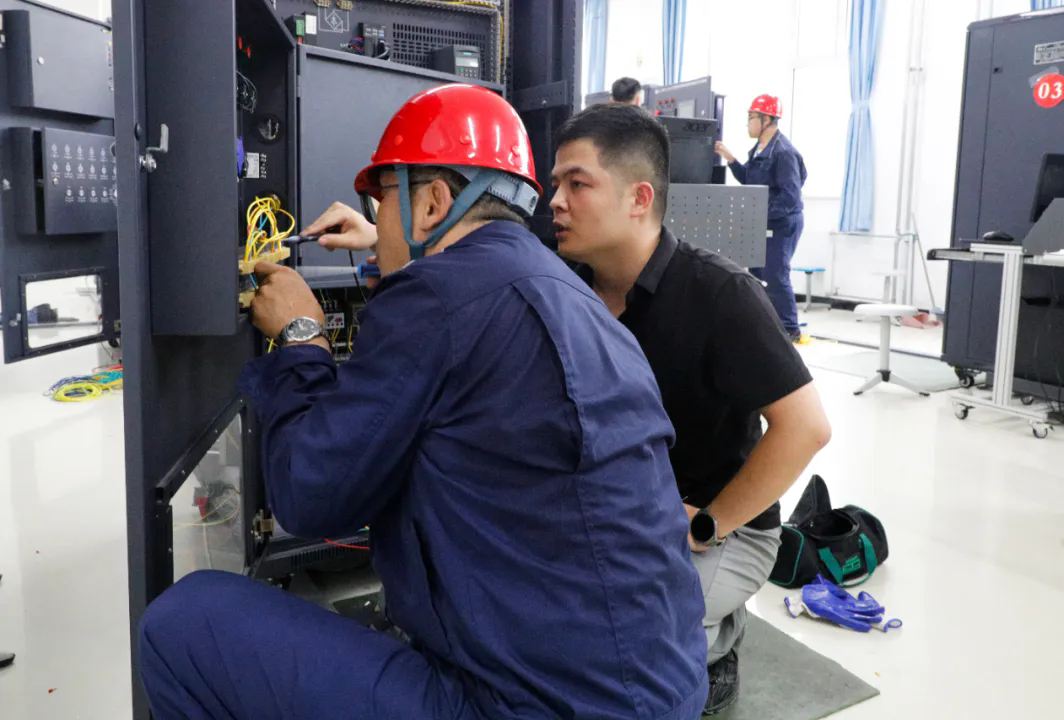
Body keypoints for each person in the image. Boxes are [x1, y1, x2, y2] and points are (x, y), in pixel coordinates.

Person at [138, 85, 709, 720]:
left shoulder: (437, 300)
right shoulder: (577, 301)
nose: (375, 220)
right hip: (664, 690)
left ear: (433, 202)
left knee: (185, 623)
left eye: (380, 201)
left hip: (528, 708)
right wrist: (385, 251)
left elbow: (307, 496)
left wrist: (303, 338)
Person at [551, 103, 831, 714]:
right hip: (618, 512)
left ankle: (715, 641)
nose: (557, 201)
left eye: (578, 183)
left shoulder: (720, 294)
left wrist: (708, 523)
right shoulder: (567, 285)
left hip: (718, 529)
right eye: (555, 184)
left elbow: (806, 428)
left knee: (628, 642)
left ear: (639, 197)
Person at [715, 94, 808, 341]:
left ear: (766, 119)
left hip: (783, 222)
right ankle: (765, 323)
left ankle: (790, 329)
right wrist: (731, 160)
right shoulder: (759, 149)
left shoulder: (783, 151)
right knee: (757, 272)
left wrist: (761, 216)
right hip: (765, 220)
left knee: (776, 274)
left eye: (751, 118)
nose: (748, 123)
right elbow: (749, 179)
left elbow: (790, 195)